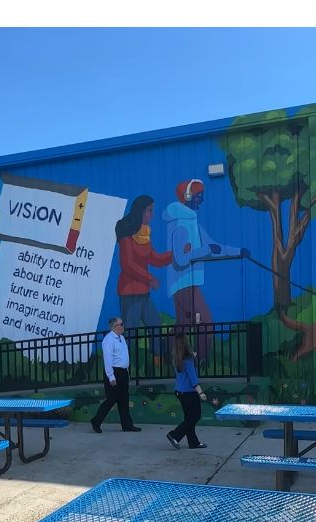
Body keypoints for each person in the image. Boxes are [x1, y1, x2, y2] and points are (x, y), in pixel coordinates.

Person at [165, 178, 247, 359]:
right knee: (206, 323)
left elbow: (214, 247)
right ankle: (199, 361)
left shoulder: (193, 225)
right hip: (184, 284)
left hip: (186, 283)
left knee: (183, 325)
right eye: (198, 196)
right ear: (187, 196)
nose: (202, 200)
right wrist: (205, 250)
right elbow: (180, 259)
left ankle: (169, 357)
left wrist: (238, 252)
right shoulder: (180, 226)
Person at [115, 195, 172, 329]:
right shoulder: (126, 237)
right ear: (141, 211)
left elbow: (155, 259)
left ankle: (159, 346)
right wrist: (150, 278)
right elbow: (128, 264)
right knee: (131, 331)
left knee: (155, 326)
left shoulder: (144, 235)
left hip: (143, 292)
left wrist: (175, 254)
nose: (152, 214)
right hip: (129, 292)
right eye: (150, 210)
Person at [90, 317, 142, 433]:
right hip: (114, 372)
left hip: (123, 372)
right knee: (111, 399)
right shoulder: (108, 340)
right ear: (115, 327)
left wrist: (126, 371)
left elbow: (123, 356)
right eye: (121, 324)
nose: (123, 326)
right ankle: (96, 421)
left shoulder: (121, 338)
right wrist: (111, 376)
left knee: (124, 399)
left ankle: (127, 425)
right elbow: (108, 360)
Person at [165, 332, 208, 450]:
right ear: (186, 343)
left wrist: (192, 358)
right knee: (195, 416)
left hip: (180, 391)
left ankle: (193, 442)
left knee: (189, 417)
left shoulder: (176, 358)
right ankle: (175, 435)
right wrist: (200, 392)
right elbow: (192, 377)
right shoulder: (188, 359)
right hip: (190, 392)